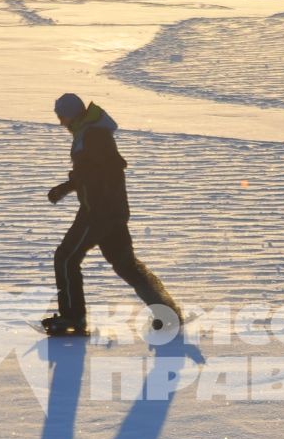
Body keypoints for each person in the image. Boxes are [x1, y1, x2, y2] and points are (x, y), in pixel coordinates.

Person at [43, 92, 181, 337]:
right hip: (110, 211)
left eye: (61, 116)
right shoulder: (88, 132)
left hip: (98, 212)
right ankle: (168, 313)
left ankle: (73, 318)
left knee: (65, 258)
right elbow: (91, 171)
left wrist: (96, 204)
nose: (60, 122)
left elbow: (112, 167)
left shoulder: (94, 135)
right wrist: (66, 187)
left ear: (71, 114)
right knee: (125, 264)